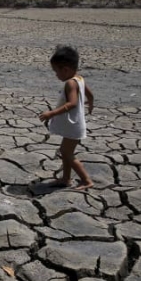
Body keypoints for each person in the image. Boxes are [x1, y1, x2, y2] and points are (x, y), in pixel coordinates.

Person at [39, 45, 94, 190]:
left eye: (56, 71)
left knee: (67, 153)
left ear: (65, 70)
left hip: (73, 125)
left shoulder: (70, 83)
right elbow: (90, 94)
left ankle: (86, 180)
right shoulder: (79, 78)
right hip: (75, 124)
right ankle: (66, 179)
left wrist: (51, 113)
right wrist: (90, 103)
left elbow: (72, 103)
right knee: (65, 152)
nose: (56, 75)